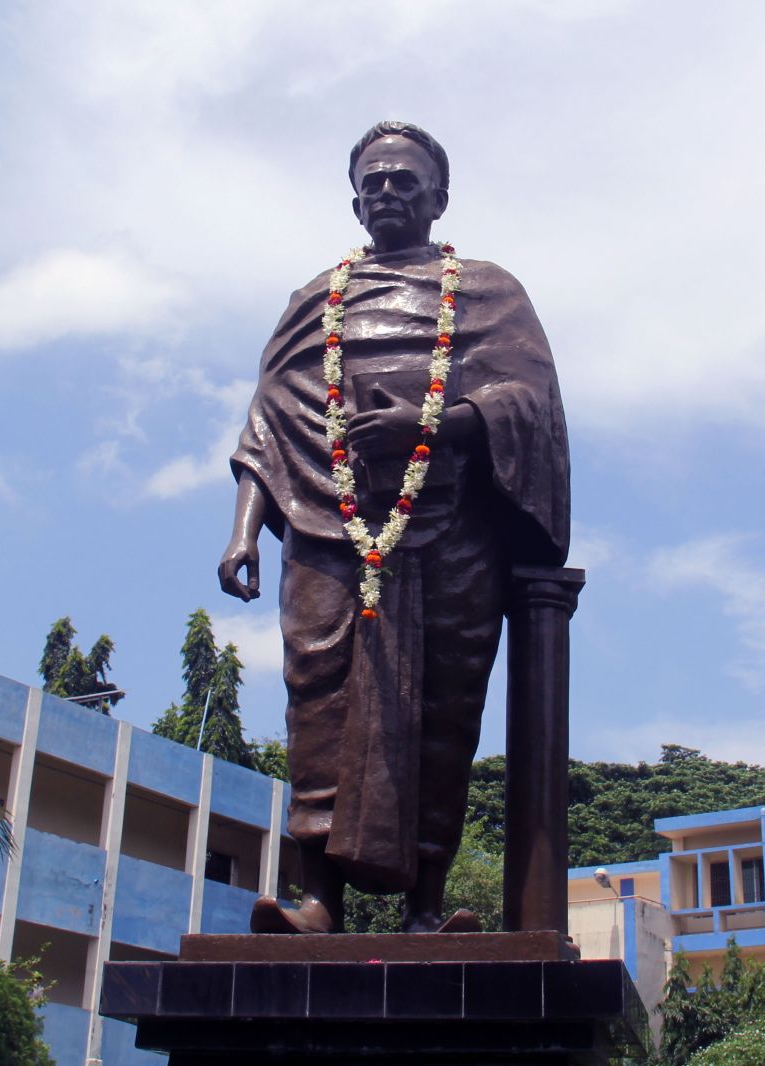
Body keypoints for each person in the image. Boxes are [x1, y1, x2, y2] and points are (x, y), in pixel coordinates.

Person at [218, 121, 569, 933]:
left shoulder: (488, 292)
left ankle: (426, 906)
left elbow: (529, 403)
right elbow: (269, 423)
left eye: (403, 180)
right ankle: (318, 903)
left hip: (448, 535)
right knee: (319, 710)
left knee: (441, 711)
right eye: (372, 181)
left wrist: (432, 425)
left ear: (439, 198)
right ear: (353, 198)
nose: (386, 192)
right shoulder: (315, 301)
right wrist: (244, 531)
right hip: (324, 528)